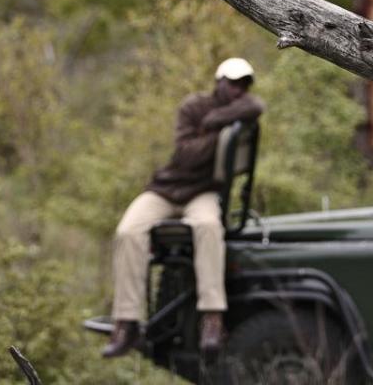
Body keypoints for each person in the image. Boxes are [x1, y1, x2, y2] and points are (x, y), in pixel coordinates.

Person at [101, 58, 265, 359]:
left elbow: (256, 106)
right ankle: (127, 322)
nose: (239, 91)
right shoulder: (193, 107)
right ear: (219, 82)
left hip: (201, 193)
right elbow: (186, 155)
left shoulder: (228, 113)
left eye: (244, 84)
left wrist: (213, 125)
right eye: (233, 83)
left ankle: (212, 318)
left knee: (209, 228)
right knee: (128, 231)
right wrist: (219, 134)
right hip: (166, 188)